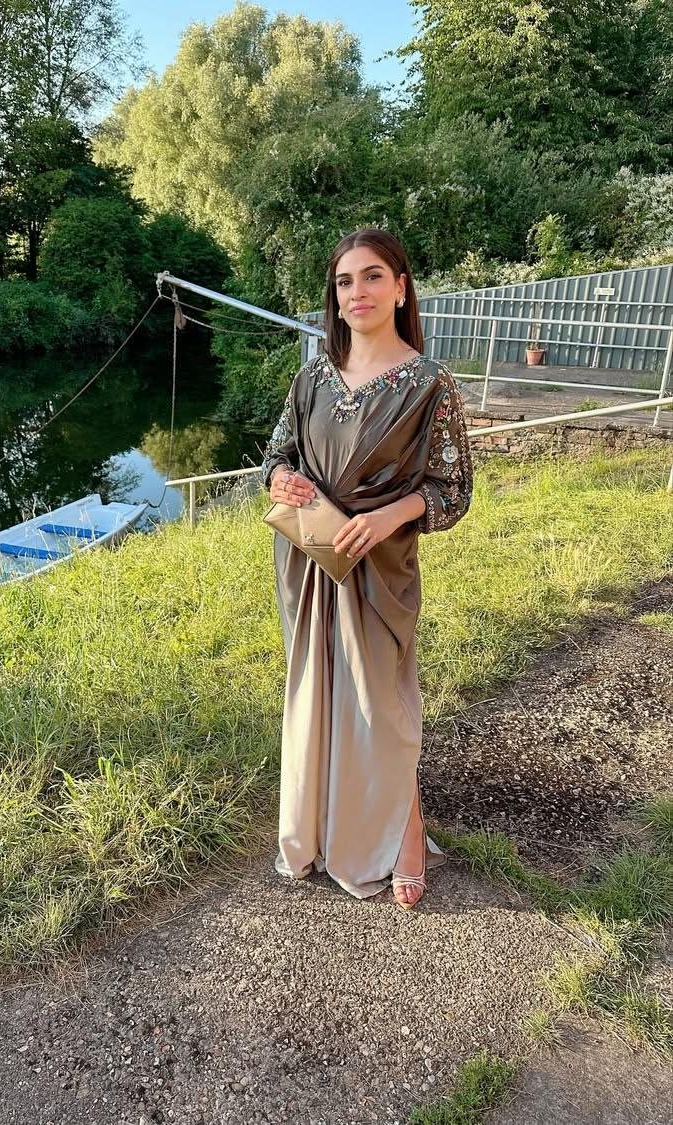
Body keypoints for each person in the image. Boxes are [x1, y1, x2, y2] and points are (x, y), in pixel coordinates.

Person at [261, 227, 474, 909]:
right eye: (345, 281)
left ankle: (406, 831)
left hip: (380, 565)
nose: (357, 292)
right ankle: (321, 829)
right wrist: (281, 479)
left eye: (373, 276)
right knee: (318, 695)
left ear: (401, 288)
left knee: (380, 704)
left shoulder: (430, 384)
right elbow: (276, 454)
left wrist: (389, 516)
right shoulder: (311, 376)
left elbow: (453, 489)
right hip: (308, 560)